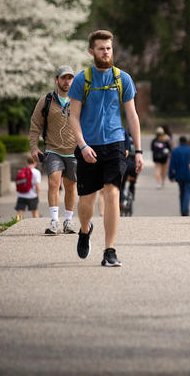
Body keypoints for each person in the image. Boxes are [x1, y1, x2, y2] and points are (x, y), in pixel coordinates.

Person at [68, 29, 144, 267]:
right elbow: (73, 117)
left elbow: (132, 116)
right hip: (88, 146)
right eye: (101, 48)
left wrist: (139, 150)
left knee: (112, 193)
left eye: (109, 48)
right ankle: (84, 229)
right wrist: (82, 145)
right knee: (86, 203)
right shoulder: (82, 79)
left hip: (115, 144)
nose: (106, 52)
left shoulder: (123, 79)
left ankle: (109, 250)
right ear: (92, 52)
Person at [28, 65, 78, 235]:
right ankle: (54, 221)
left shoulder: (79, 100)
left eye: (70, 78)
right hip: (53, 150)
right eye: (64, 78)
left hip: (74, 151)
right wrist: (34, 147)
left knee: (71, 186)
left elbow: (88, 123)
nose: (67, 81)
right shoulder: (46, 100)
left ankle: (69, 220)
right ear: (56, 80)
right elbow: (35, 125)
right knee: (53, 183)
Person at [168, 135, 190, 216]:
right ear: (186, 142)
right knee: (187, 192)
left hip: (179, 175)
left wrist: (171, 175)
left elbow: (172, 164)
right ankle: (185, 209)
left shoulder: (175, 151)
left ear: (179, 142)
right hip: (189, 174)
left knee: (181, 192)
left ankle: (182, 208)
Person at [14, 157, 42, 221]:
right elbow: (37, 186)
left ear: (27, 162)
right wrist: (37, 195)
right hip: (32, 195)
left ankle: (16, 225)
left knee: (19, 213)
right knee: (35, 213)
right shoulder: (36, 172)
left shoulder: (22, 170)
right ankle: (36, 225)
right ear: (35, 162)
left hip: (21, 195)